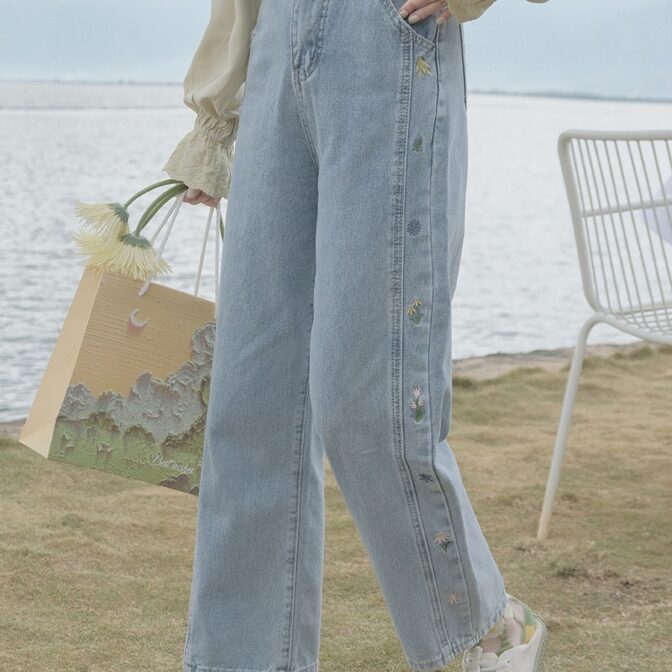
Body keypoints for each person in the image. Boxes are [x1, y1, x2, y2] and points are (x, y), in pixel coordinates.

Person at [163, 1, 550, 671]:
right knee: (250, 407)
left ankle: (487, 626)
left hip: (389, 40)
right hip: (274, 47)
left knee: (370, 400)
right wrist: (215, 117)